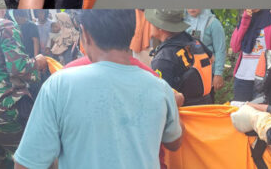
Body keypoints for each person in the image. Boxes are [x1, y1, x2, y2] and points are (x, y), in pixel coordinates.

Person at [13, 9, 183, 169]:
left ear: (85, 34)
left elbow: (26, 164)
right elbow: (174, 143)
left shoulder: (59, 85)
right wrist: (171, 109)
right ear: (133, 32)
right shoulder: (160, 88)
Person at [0, 10, 47, 168]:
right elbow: (19, 68)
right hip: (5, 107)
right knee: (30, 158)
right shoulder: (3, 26)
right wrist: (38, 62)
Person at [146, 9, 214, 106]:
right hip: (205, 107)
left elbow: (161, 101)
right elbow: (211, 58)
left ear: (160, 28)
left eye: (152, 22)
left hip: (184, 116)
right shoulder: (194, 42)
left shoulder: (163, 59)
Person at [231, 9, 271, 102]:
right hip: (242, 77)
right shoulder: (246, 18)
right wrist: (245, 19)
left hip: (264, 79)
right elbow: (235, 47)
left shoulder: (270, 18)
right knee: (240, 113)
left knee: (260, 114)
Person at [185, 9, 227, 97]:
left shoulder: (213, 23)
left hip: (207, 72)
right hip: (187, 72)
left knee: (206, 101)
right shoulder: (181, 22)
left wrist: (218, 74)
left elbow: (220, 50)